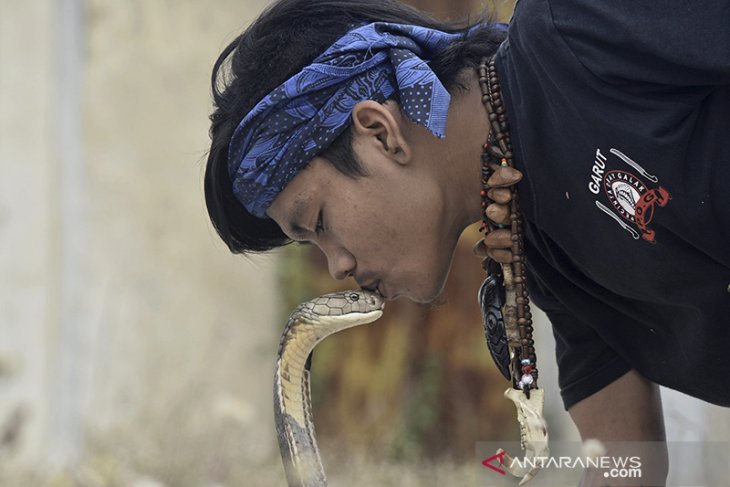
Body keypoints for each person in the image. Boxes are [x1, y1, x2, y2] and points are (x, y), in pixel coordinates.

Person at [204, 0, 729, 484]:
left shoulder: (577, 28)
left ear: (380, 132)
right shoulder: (538, 256)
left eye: (318, 222)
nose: (337, 265)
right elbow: (625, 462)